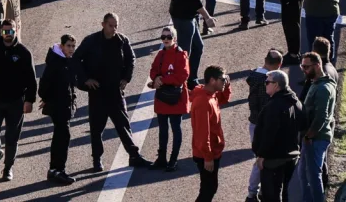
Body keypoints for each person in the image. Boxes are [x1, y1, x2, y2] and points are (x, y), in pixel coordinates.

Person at [73, 13, 149, 170]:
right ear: (103, 24)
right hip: (97, 91)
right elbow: (75, 59)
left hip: (115, 91)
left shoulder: (122, 40)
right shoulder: (91, 41)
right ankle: (97, 160)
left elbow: (131, 59)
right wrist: (86, 79)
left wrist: (126, 78)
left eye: (116, 26)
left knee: (123, 125)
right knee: (96, 128)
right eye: (111, 25)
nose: (114, 29)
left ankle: (134, 155)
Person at [0, 17, 38, 180]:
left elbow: (31, 79)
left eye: (11, 31)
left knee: (12, 137)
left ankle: (8, 168)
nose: (8, 34)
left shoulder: (24, 53)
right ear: (1, 32)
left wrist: (29, 100)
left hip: (15, 102)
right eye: (5, 31)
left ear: (15, 30)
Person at [252, 68, 303, 202]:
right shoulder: (295, 101)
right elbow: (303, 124)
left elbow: (269, 133)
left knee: (271, 195)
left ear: (276, 85)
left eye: (267, 82)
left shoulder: (274, 106)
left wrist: (261, 155)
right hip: (291, 156)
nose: (265, 84)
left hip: (274, 158)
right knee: (284, 192)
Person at [147, 25, 191, 171]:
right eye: (163, 37)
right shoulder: (160, 54)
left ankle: (173, 159)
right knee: (163, 130)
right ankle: (161, 158)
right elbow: (153, 70)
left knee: (175, 128)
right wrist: (156, 78)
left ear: (175, 39)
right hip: (162, 96)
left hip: (175, 98)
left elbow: (182, 76)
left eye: (169, 37)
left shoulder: (181, 54)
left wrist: (162, 80)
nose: (165, 39)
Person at [189, 66, 234, 202]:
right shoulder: (204, 101)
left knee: (209, 188)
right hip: (206, 154)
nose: (224, 82)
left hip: (211, 151)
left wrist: (227, 85)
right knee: (208, 189)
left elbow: (224, 99)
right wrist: (208, 157)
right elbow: (202, 133)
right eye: (222, 80)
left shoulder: (210, 94)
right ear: (213, 80)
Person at [39, 33, 79, 186]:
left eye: (73, 46)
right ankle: (58, 170)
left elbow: (71, 84)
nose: (71, 49)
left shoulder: (67, 61)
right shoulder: (56, 63)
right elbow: (43, 87)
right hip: (59, 107)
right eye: (68, 46)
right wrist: (49, 99)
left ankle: (54, 170)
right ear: (62, 46)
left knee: (60, 137)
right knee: (63, 137)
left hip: (64, 106)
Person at [297, 51, 337, 202]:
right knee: (304, 174)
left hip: (316, 138)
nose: (304, 70)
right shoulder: (317, 84)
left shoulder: (323, 88)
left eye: (306, 67)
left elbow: (322, 116)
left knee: (313, 175)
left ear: (317, 65)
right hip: (312, 138)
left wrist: (309, 135)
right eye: (302, 66)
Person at [245, 48, 283, 202]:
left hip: (254, 122)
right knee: (261, 160)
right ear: (278, 65)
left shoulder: (254, 76)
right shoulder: (269, 81)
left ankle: (256, 191)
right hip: (264, 126)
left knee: (261, 158)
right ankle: (252, 193)